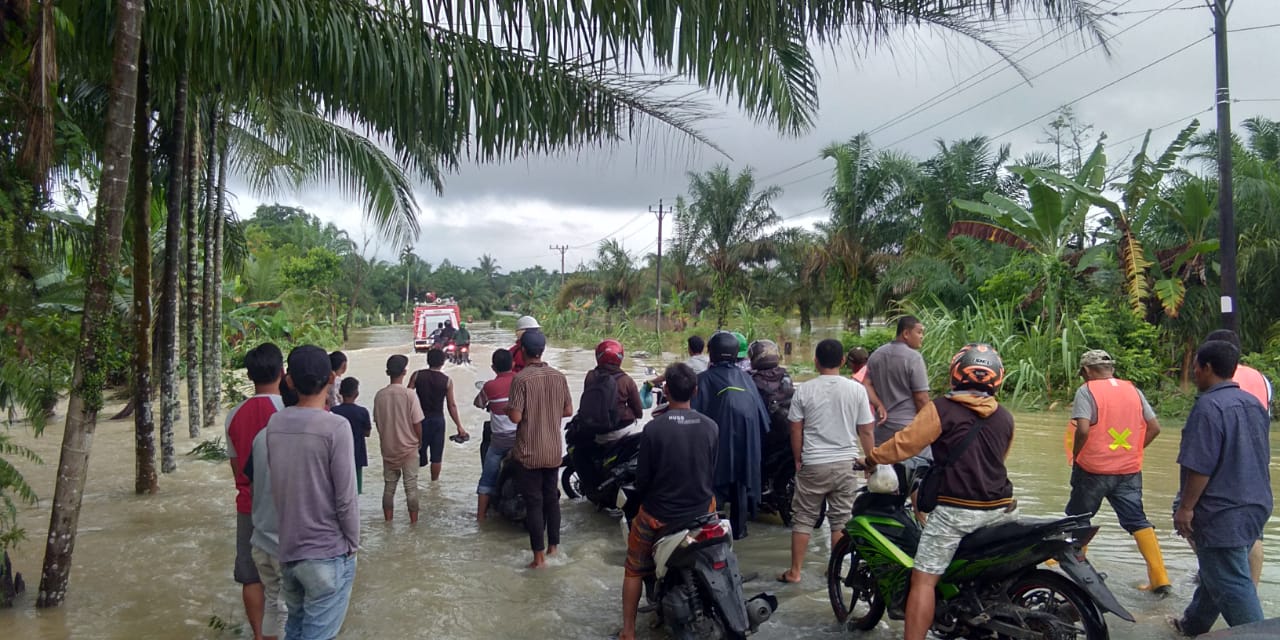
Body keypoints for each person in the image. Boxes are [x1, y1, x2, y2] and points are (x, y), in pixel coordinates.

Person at [865, 343, 1017, 640]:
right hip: (1001, 508)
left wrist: (872, 458)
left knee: (923, 580)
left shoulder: (941, 409)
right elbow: (999, 459)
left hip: (956, 512)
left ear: (956, 374)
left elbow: (905, 444)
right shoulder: (1005, 416)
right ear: (997, 378)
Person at [1170, 340, 1272, 636]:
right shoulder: (1254, 404)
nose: (1194, 373)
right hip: (1256, 504)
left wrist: (1186, 508)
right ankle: (1191, 626)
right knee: (1218, 571)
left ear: (1207, 368)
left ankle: (1260, 635)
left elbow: (1200, 466)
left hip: (1222, 511)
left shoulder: (1208, 407)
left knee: (1231, 583)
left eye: (1196, 367)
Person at [618, 363, 718, 640]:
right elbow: (710, 471)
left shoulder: (654, 429)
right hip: (702, 512)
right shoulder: (711, 426)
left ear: (666, 390)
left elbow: (643, 480)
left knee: (633, 569)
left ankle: (628, 631)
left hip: (659, 515)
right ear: (695, 391)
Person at [265, 345, 359, 639]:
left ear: (289, 380)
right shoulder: (336, 427)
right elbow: (346, 498)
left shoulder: (275, 422)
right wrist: (353, 542)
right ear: (331, 378)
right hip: (327, 552)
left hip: (289, 550)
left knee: (295, 628)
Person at [1062, 349, 1170, 594]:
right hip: (1128, 470)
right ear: (1111, 369)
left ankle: (1078, 579)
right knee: (1137, 520)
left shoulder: (1086, 390)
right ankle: (1160, 578)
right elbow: (1154, 427)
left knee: (1079, 518)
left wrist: (1077, 455)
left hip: (1093, 469)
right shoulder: (1134, 390)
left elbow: (1083, 429)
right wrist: (1133, 451)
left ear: (1086, 371)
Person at [779, 339, 875, 584]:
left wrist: (798, 459)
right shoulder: (857, 390)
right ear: (842, 361)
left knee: (803, 517)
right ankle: (834, 571)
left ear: (816, 361)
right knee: (841, 519)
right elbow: (866, 430)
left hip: (814, 462)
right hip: (846, 464)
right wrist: (871, 462)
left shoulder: (805, 390)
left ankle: (795, 572)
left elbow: (795, 429)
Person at [225, 343, 285, 640]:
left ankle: (259, 636)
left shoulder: (233, 415)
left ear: (249, 375)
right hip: (282, 507)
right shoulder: (288, 410)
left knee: (251, 576)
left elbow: (237, 469)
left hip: (247, 505)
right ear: (282, 372)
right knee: (285, 579)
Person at [1205, 328, 1271, 585]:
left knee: (1208, 523)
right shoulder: (1261, 378)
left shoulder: (1221, 377)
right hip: (1258, 458)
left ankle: (1223, 579)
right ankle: (1251, 586)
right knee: (1255, 533)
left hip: (1227, 459)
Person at [692, 331, 770, 539]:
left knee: (712, 491)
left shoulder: (703, 380)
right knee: (740, 489)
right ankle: (740, 532)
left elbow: (692, 417)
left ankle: (711, 535)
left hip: (716, 450)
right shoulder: (747, 380)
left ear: (712, 353)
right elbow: (763, 420)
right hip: (746, 448)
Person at [506, 329, 574, 568]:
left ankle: (538, 558)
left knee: (534, 502)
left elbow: (515, 417)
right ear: (542, 350)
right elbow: (568, 411)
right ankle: (553, 548)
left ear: (523, 350)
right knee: (551, 499)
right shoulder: (559, 376)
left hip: (529, 452)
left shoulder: (521, 379)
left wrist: (509, 409)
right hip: (553, 450)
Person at [864, 316, 930, 451]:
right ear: (906, 333)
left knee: (883, 463)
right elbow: (921, 398)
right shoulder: (914, 358)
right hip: (907, 428)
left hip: (882, 427)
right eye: (919, 332)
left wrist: (879, 405)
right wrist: (928, 423)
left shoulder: (876, 354)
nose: (921, 336)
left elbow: (866, 384)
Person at [245, 419, 285, 639]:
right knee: (287, 609)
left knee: (273, 603)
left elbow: (250, 485)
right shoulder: (309, 435)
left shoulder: (262, 436)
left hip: (261, 538)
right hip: (286, 545)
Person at [373, 354, 425, 523]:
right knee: (411, 487)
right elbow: (417, 423)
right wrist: (419, 441)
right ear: (404, 372)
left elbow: (378, 423)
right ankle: (413, 524)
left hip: (388, 448)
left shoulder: (379, 395)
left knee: (389, 487)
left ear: (388, 372)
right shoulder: (409, 395)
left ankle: (388, 522)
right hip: (409, 448)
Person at [408, 349, 469, 480]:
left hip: (419, 419)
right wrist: (459, 426)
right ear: (443, 362)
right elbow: (451, 405)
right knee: (436, 456)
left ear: (427, 360)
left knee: (417, 452)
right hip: (438, 421)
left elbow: (407, 395)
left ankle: (413, 481)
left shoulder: (417, 375)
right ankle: (434, 483)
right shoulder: (447, 381)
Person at [475, 349, 517, 522]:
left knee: (486, 480)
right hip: (522, 440)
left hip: (499, 443)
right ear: (513, 364)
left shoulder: (490, 386)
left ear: (493, 367)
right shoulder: (521, 381)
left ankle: (480, 518)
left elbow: (478, 403)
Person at [330, 377, 371, 495]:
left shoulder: (334, 411)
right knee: (356, 491)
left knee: (338, 489)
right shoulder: (362, 412)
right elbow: (367, 433)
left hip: (337, 455)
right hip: (357, 454)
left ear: (340, 392)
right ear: (356, 393)